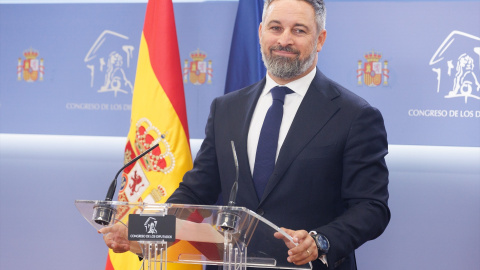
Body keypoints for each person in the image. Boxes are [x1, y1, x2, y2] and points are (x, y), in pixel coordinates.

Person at [101, 1, 390, 269]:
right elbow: (194, 193)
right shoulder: (227, 108)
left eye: (298, 30)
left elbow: (371, 207)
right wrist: (146, 233)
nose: (284, 40)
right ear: (261, 32)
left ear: (320, 40)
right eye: (275, 28)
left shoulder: (355, 115)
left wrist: (321, 240)